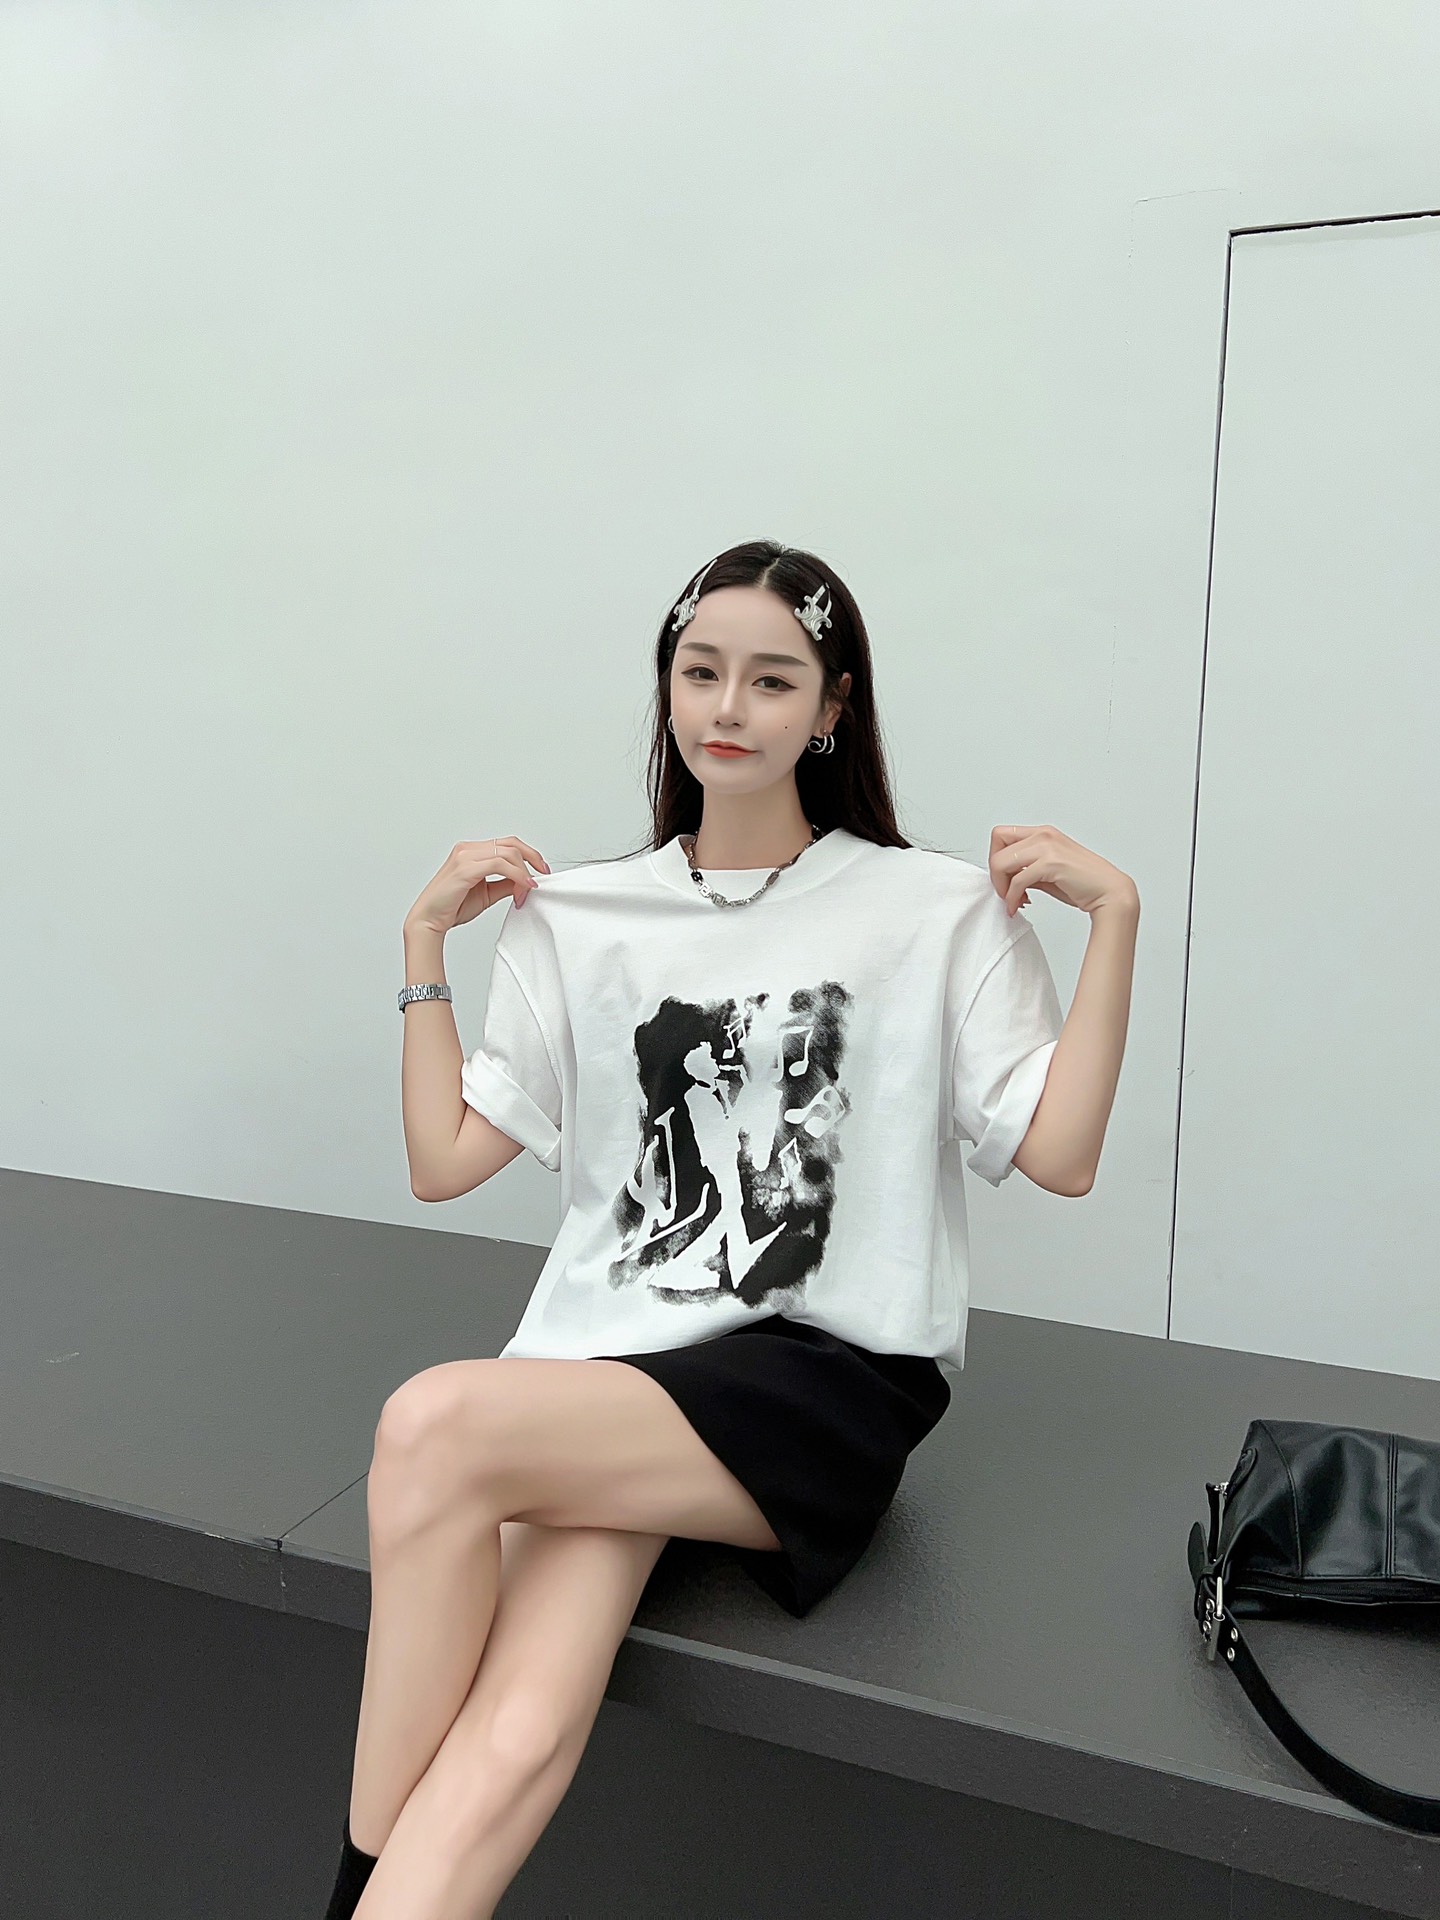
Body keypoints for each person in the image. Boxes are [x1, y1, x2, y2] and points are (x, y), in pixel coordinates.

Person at [323, 538, 1141, 1918]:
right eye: (701, 671)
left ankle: (343, 1882)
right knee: (517, 1727)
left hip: (823, 1374)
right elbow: (444, 1162)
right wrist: (422, 951)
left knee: (431, 1427)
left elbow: (1058, 1155)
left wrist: (1115, 919)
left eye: (772, 679)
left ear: (831, 707)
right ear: (666, 688)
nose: (729, 707)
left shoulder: (930, 910)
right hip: (617, 1365)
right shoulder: (581, 918)